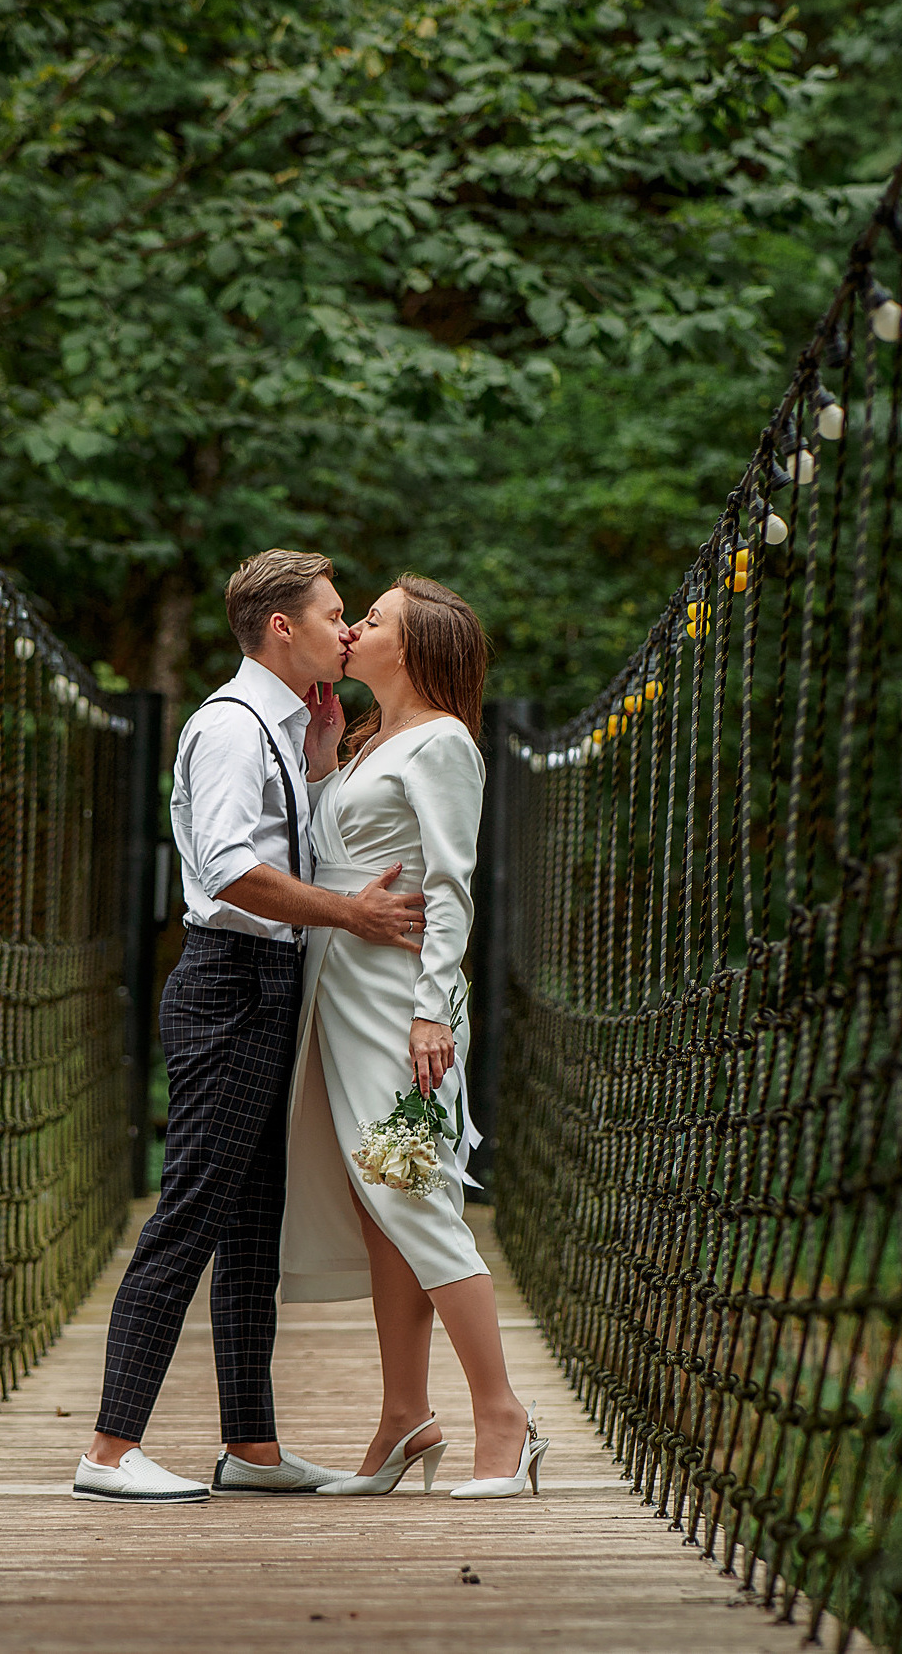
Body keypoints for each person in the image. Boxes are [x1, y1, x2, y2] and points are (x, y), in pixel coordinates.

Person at [75, 550, 429, 1503]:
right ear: (284, 628)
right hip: (231, 984)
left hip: (268, 983)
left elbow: (271, 845)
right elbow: (230, 871)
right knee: (189, 1214)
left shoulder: (284, 727)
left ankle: (251, 1449)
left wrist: (317, 768)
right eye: (332, 615)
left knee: (250, 1227)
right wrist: (351, 912)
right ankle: (108, 1450)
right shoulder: (230, 729)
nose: (346, 630)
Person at [281, 575, 548, 1499]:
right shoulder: (367, 741)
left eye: (373, 619)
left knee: (416, 1196)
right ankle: (404, 1416)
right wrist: (321, 761)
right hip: (340, 990)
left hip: (400, 1002)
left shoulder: (443, 746)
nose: (352, 627)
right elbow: (336, 857)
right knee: (377, 1202)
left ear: (417, 646)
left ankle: (504, 1417)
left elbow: (452, 882)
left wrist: (434, 1007)